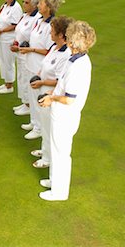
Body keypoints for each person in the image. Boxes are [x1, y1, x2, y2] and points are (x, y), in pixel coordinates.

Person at [37, 20, 96, 201]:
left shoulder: (79, 66)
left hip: (65, 115)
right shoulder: (74, 59)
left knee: (61, 153)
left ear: (73, 42)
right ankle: (54, 180)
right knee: (56, 150)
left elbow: (69, 98)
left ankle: (59, 192)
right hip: (60, 113)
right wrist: (52, 92)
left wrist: (52, 98)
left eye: (69, 37)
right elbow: (63, 87)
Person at [29, 16, 74, 169]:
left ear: (61, 35)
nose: (50, 33)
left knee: (48, 127)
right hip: (42, 90)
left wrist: (42, 82)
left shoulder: (66, 54)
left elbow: (59, 80)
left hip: (50, 93)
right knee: (44, 124)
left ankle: (48, 159)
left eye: (52, 31)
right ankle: (44, 151)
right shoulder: (54, 47)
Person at [19, 0, 64, 140]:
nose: (38, 5)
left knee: (38, 99)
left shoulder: (52, 25)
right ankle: (34, 122)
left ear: (49, 6)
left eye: (41, 3)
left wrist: (30, 49)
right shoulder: (39, 20)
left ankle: (38, 128)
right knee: (32, 97)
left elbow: (48, 49)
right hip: (32, 64)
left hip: (41, 66)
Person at [10, 0, 41, 116]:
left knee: (26, 79)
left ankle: (28, 105)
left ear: (34, 5)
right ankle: (25, 102)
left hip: (27, 54)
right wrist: (15, 42)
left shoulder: (36, 18)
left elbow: (32, 38)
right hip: (20, 53)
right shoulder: (25, 15)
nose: (23, 4)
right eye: (23, 1)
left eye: (26, 2)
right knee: (21, 78)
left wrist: (22, 46)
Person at [0, 0, 23, 94]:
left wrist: (2, 30)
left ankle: (9, 86)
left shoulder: (16, 8)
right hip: (1, 38)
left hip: (9, 39)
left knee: (8, 61)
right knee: (3, 60)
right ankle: (6, 82)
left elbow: (15, 25)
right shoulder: (4, 6)